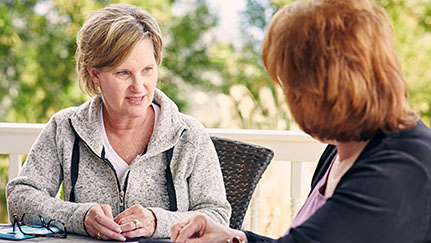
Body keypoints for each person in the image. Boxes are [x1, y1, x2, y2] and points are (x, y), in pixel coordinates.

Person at [170, 0, 431, 242]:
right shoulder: (341, 146)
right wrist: (234, 237)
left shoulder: (400, 168)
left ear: (325, 90)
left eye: (292, 89)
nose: (289, 100)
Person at [6, 4, 231, 242]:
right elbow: (21, 198)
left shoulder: (188, 135)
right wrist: (79, 217)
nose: (139, 86)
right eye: (123, 73)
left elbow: (217, 216)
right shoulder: (65, 128)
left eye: (147, 70)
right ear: (95, 74)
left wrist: (157, 222)